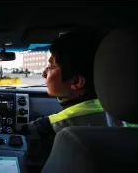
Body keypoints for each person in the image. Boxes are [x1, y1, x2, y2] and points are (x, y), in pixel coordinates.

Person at [24, 27, 123, 169]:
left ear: (76, 82)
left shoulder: (44, 130)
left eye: (51, 66)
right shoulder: (128, 122)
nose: (44, 74)